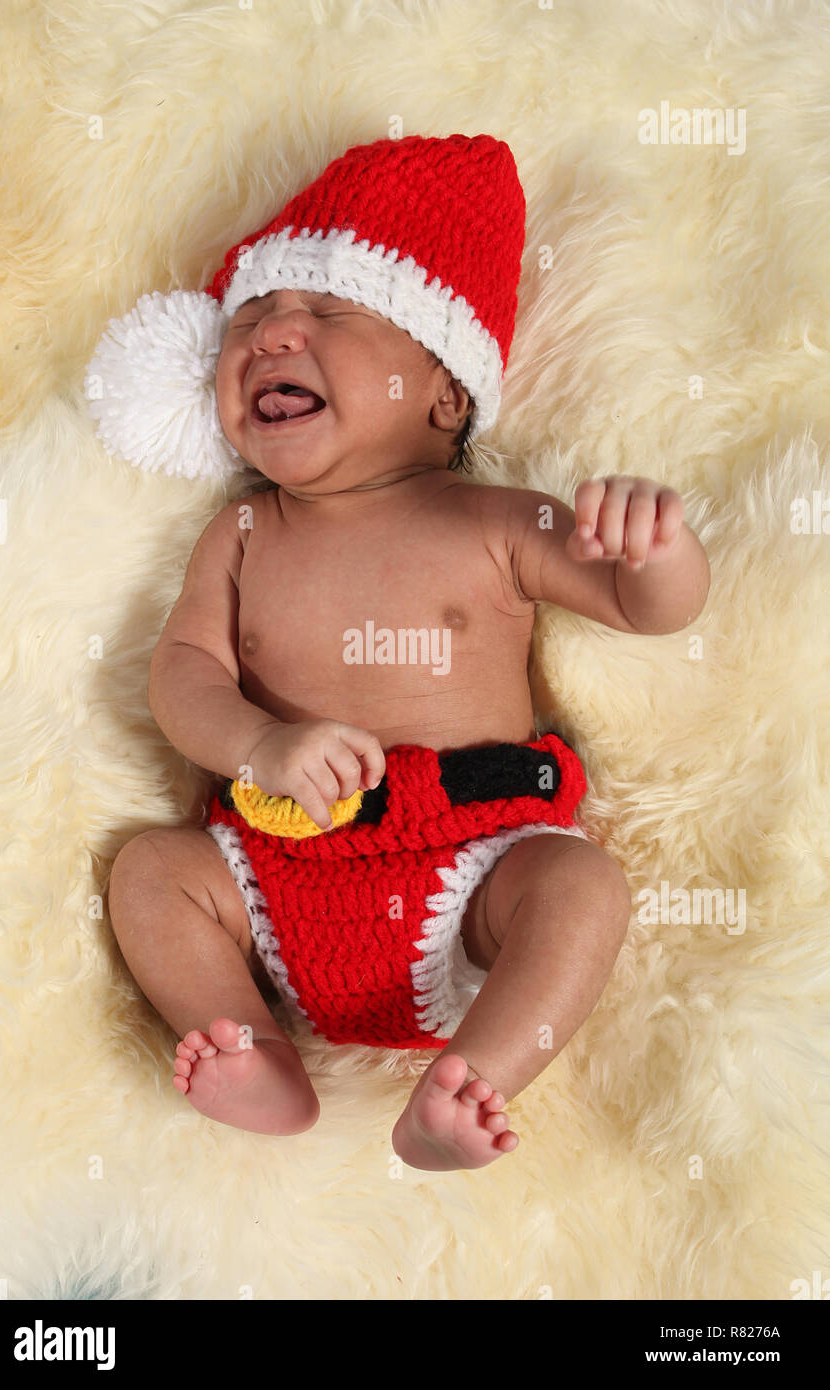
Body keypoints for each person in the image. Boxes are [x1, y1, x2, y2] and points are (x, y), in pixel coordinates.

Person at [90, 134, 710, 1171]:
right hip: (272, 868)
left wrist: (655, 550)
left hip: (469, 873)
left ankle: (471, 1078)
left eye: (328, 315)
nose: (271, 336)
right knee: (152, 873)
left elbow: (643, 607)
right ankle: (252, 1047)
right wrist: (256, 743)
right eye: (248, 320)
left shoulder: (498, 522)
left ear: (443, 391)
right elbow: (182, 676)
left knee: (580, 887)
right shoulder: (239, 535)